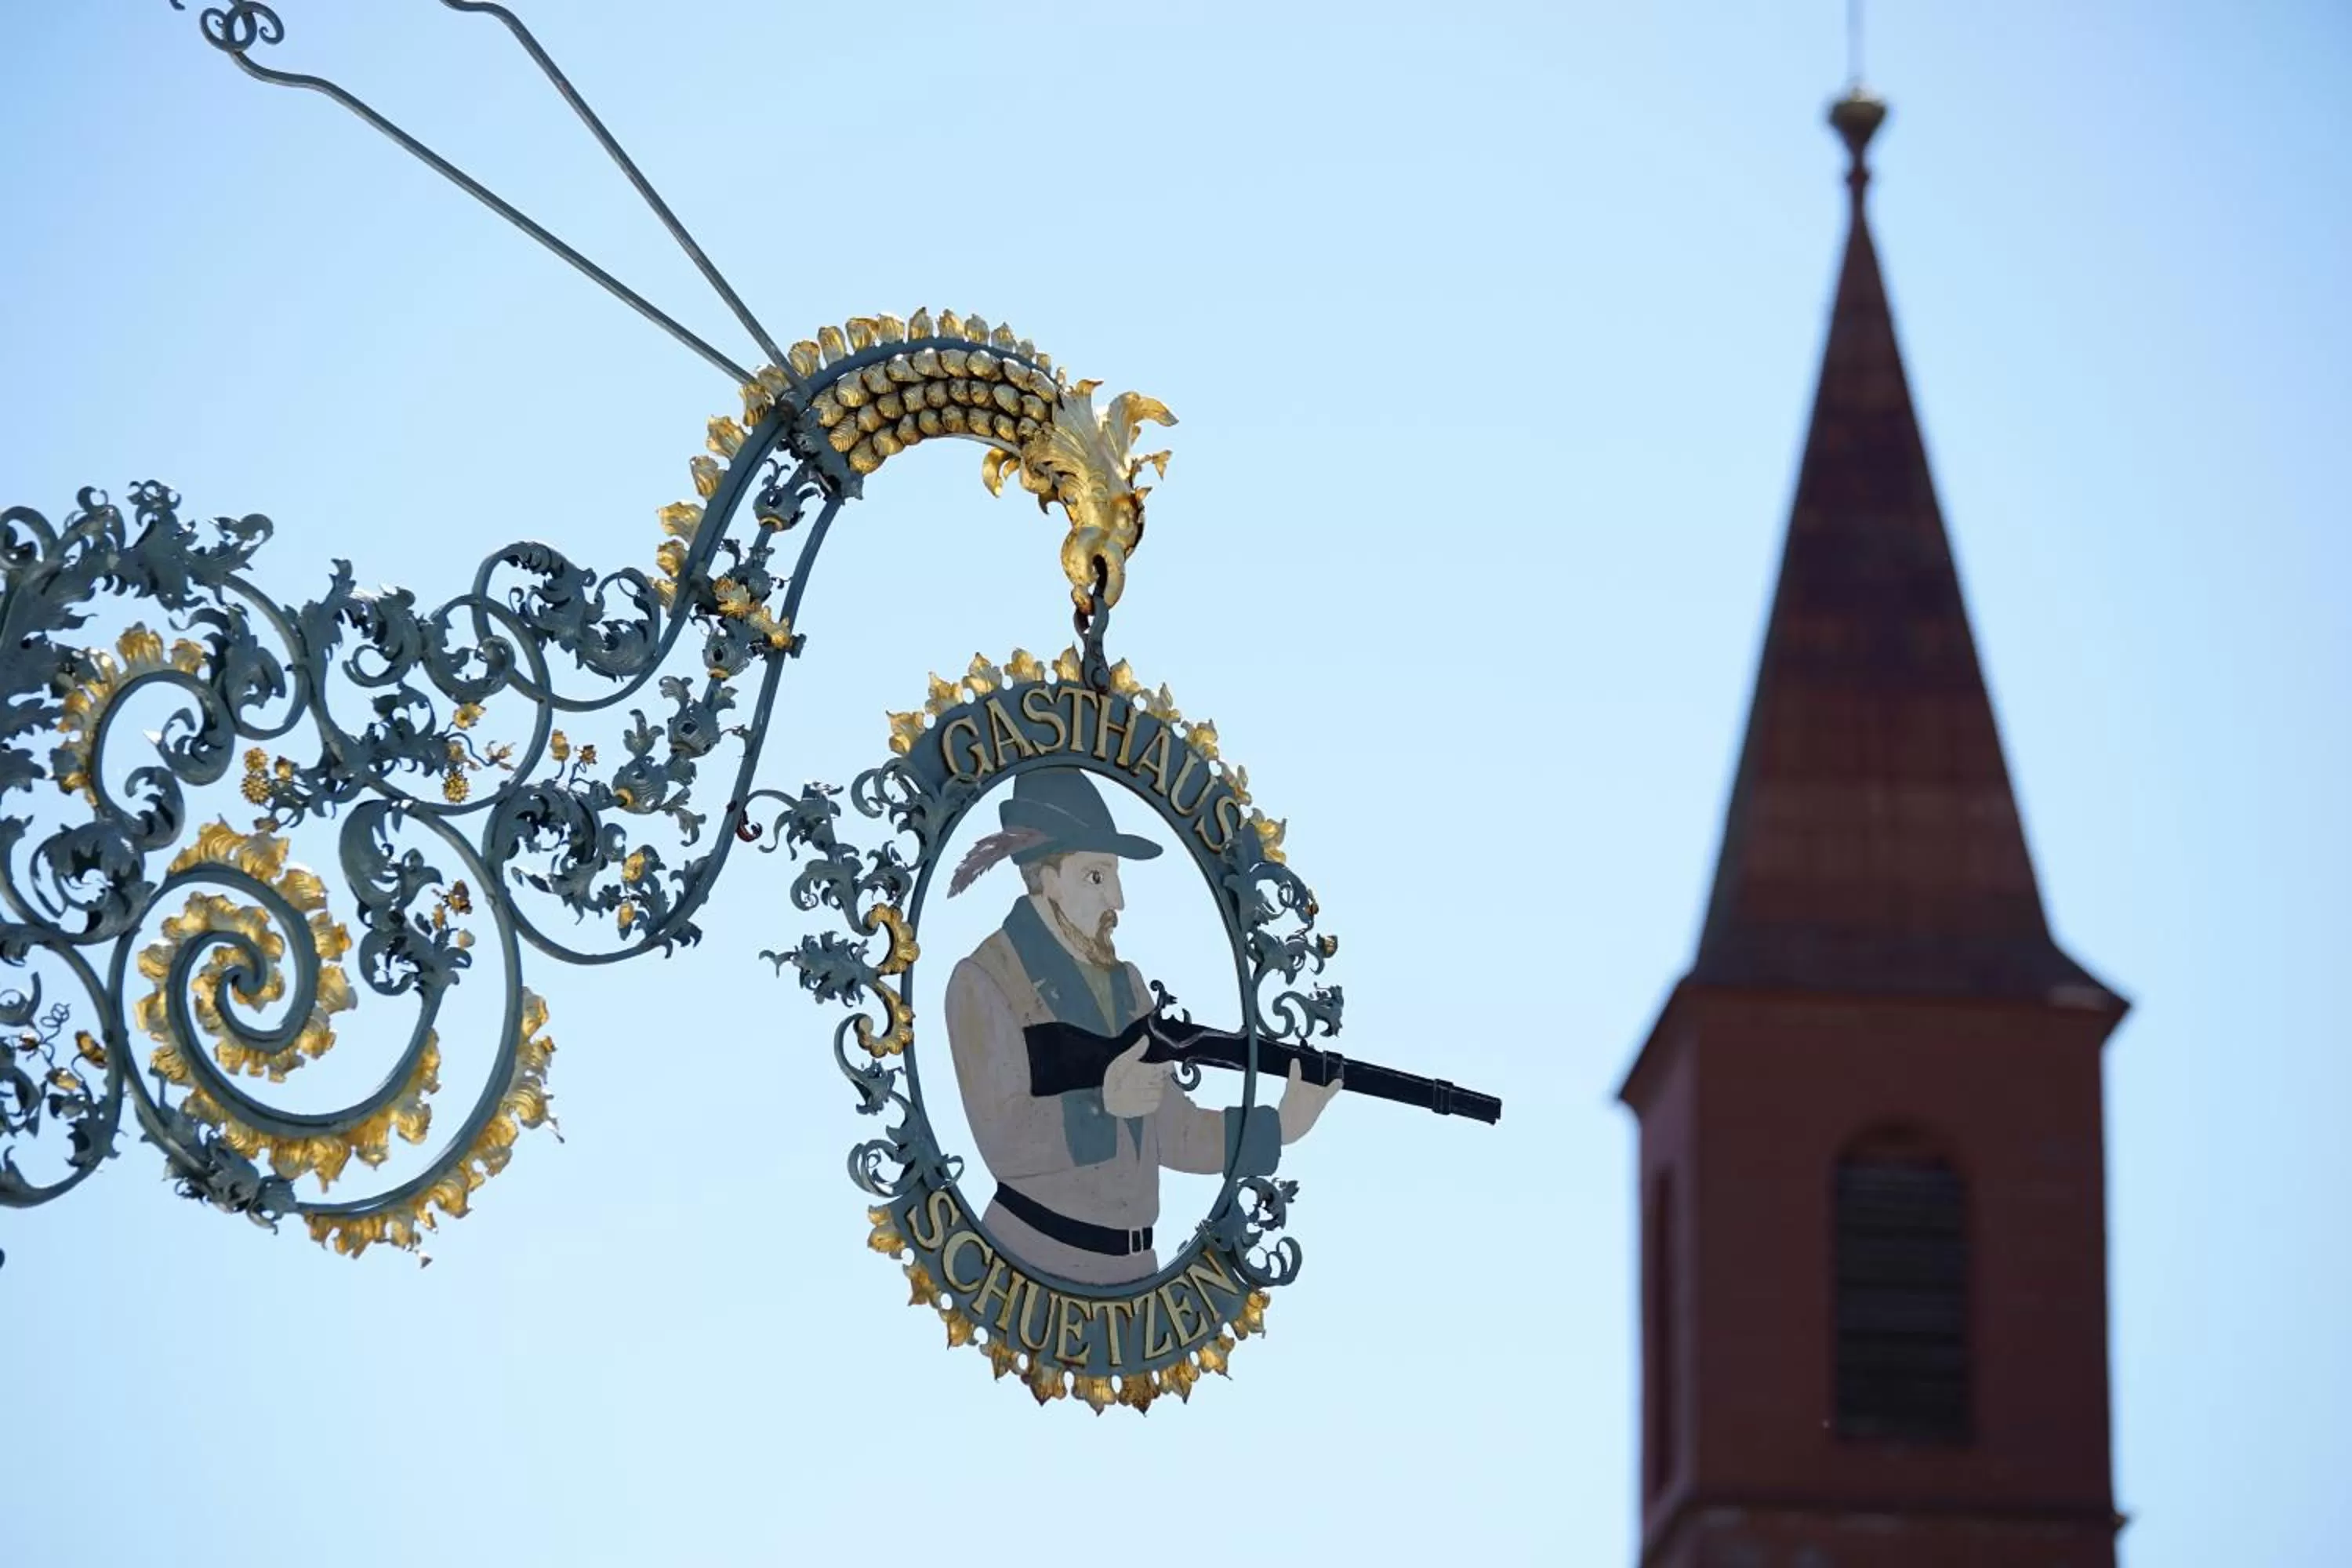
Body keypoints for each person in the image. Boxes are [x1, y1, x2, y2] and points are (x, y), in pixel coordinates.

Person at [942, 768, 1341, 1287]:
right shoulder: (983, 980)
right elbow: (1004, 1141)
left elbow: (1173, 1132)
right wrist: (1102, 1103)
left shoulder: (1126, 983)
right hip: (1029, 1268)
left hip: (1136, 1280)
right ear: (1046, 877)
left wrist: (1279, 1126)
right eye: (1096, 876)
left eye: (1114, 875)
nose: (1118, 900)